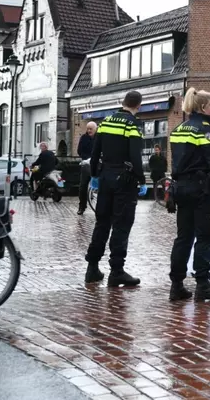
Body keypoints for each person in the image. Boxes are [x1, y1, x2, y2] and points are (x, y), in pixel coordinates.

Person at [167, 88, 210, 302]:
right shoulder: (205, 131)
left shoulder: (178, 130)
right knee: (204, 238)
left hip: (181, 189)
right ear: (204, 107)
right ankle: (203, 285)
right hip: (203, 190)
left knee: (183, 238)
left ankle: (176, 286)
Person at [84, 91, 148, 287]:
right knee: (121, 224)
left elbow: (95, 153)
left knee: (102, 223)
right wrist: (142, 179)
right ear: (138, 106)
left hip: (105, 178)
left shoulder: (105, 122)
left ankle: (92, 268)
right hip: (124, 181)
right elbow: (135, 156)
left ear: (123, 102)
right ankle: (117, 271)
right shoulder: (132, 125)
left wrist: (94, 175)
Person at [77, 122, 98, 214]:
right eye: (88, 129)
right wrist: (87, 158)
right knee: (83, 186)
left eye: (91, 129)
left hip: (97, 164)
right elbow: (79, 151)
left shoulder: (99, 137)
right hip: (86, 163)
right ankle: (82, 206)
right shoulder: (84, 138)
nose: (89, 130)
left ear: (95, 129)